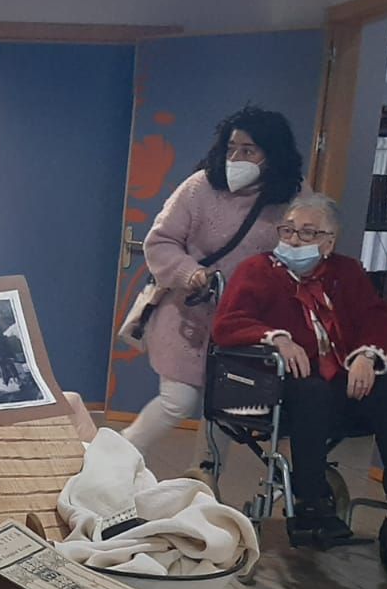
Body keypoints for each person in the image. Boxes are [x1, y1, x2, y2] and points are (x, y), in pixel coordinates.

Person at [211, 191, 387, 547]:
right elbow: (228, 323)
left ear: (329, 242)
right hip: (279, 384)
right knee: (311, 390)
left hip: (338, 381)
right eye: (288, 230)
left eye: (308, 233)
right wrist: (276, 338)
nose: (295, 239)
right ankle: (311, 501)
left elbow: (378, 316)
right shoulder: (257, 271)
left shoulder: (346, 272)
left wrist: (367, 356)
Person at [122, 106, 304, 460]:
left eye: (248, 150)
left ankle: (205, 476)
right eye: (232, 148)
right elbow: (160, 241)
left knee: (223, 403)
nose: (236, 157)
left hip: (243, 319)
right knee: (179, 400)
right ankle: (119, 452)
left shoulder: (290, 197)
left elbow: (298, 246)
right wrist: (191, 274)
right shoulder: (199, 187)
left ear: (272, 153)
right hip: (187, 312)